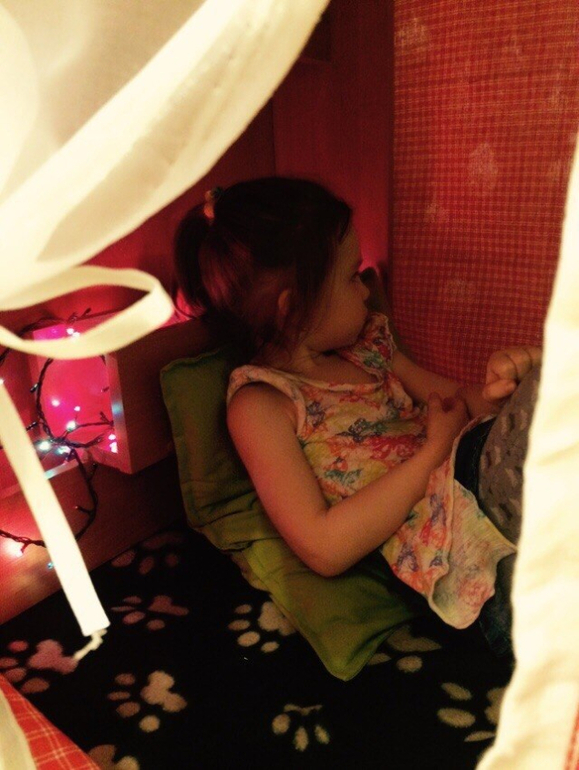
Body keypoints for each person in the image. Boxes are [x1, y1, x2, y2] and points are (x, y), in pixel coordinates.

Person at [173, 177, 542, 658]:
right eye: (351, 277)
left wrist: (500, 388)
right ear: (293, 309)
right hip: (450, 539)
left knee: (541, 401)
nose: (366, 291)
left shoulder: (369, 346)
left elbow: (457, 401)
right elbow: (324, 547)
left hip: (477, 468)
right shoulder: (262, 405)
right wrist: (434, 450)